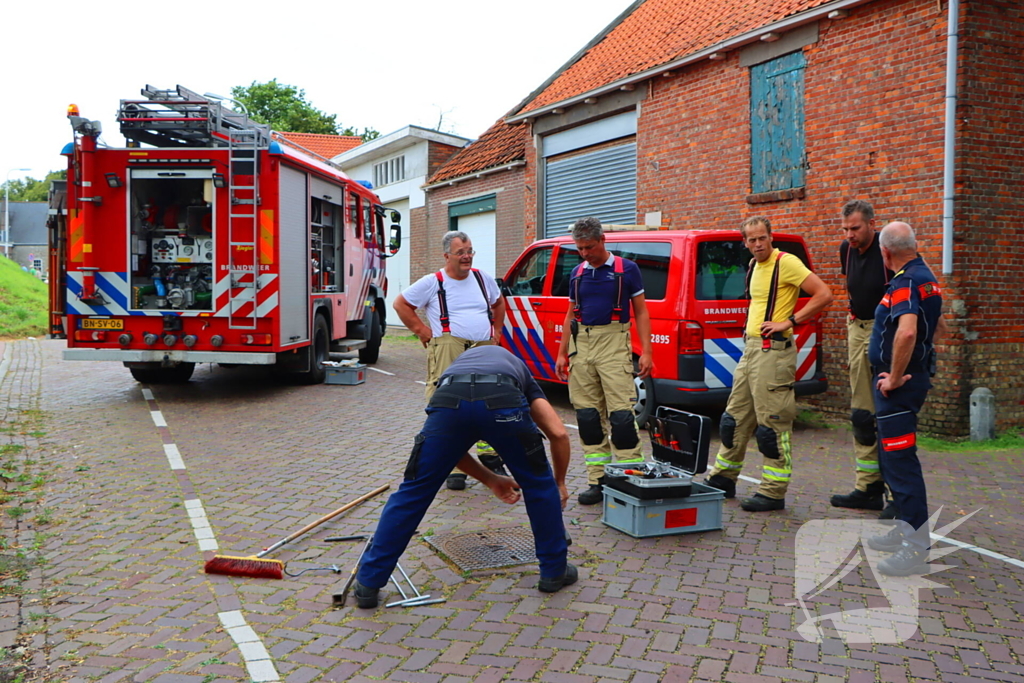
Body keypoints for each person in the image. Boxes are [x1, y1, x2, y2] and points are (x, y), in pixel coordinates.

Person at [352, 345, 574, 608]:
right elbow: (559, 434)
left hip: (449, 400)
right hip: (503, 399)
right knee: (538, 485)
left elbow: (449, 449)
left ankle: (368, 583)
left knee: (413, 491)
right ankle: (553, 572)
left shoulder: (455, 370)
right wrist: (557, 483)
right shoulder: (519, 369)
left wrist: (490, 479)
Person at [703, 216, 833, 511]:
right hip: (750, 351)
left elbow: (824, 294)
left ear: (770, 237)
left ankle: (773, 492)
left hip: (774, 354)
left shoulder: (785, 263)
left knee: (772, 424)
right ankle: (723, 478)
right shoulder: (752, 266)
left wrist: (789, 321)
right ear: (745, 242)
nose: (758, 244)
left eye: (762, 238)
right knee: (733, 419)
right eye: (752, 240)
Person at [394, 231, 508, 490]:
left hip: (483, 349)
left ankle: (490, 457)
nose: (467, 257)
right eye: (461, 253)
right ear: (447, 256)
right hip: (449, 349)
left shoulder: (482, 278)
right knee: (449, 406)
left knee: (488, 402)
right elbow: (401, 304)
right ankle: (456, 466)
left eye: (469, 251)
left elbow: (499, 303)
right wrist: (421, 330)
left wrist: (497, 331)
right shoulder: (433, 282)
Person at [864, 222, 947, 576]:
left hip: (898, 387)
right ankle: (904, 527)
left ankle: (915, 547)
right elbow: (934, 326)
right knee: (890, 456)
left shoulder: (905, 282)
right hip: (910, 379)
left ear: (885, 252)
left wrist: (896, 376)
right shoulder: (925, 274)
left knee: (900, 462)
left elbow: (908, 330)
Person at [555, 217, 653, 506]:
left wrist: (646, 351)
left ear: (602, 241)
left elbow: (642, 313)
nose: (585, 253)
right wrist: (562, 353)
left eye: (589, 247)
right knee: (587, 418)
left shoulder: (627, 270)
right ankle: (598, 480)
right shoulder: (576, 273)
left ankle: (627, 478)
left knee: (621, 417)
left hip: (613, 343)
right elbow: (570, 314)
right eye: (580, 248)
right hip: (580, 345)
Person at [830, 200, 896, 516]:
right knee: (861, 415)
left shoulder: (889, 250)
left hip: (885, 330)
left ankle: (897, 494)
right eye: (845, 229)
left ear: (872, 223)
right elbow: (852, 286)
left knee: (888, 413)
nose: (850, 235)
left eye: (855, 228)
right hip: (857, 328)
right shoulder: (846, 249)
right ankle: (867, 487)